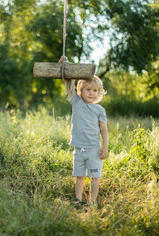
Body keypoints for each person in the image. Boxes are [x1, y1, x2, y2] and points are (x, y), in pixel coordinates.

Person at [60, 57, 109, 209]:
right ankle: (77, 199)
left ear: (99, 93)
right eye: (88, 90)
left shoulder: (100, 109)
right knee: (80, 176)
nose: (91, 93)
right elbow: (69, 84)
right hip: (78, 148)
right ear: (81, 91)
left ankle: (92, 201)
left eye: (95, 91)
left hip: (94, 149)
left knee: (95, 177)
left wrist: (105, 147)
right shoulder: (77, 101)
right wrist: (65, 64)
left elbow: (104, 130)